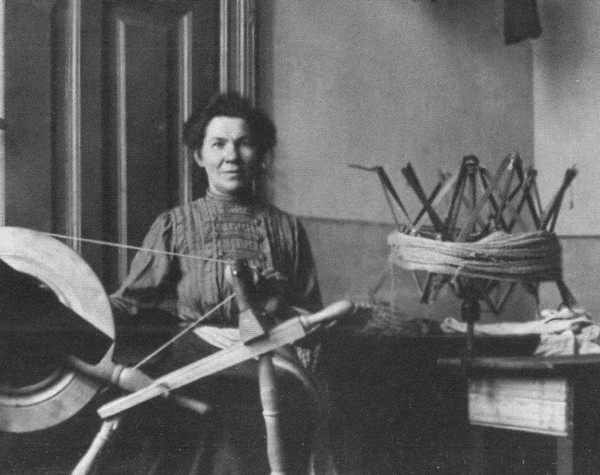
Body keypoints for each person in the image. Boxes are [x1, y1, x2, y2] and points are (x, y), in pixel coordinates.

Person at [109, 92, 324, 474]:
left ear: (261, 155)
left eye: (245, 143)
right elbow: (130, 302)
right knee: (203, 413)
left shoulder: (288, 229)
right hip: (196, 355)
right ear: (199, 156)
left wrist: (285, 319)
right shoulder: (174, 225)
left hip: (272, 355)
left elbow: (309, 311)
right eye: (219, 144)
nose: (232, 156)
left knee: (279, 408)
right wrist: (76, 302)